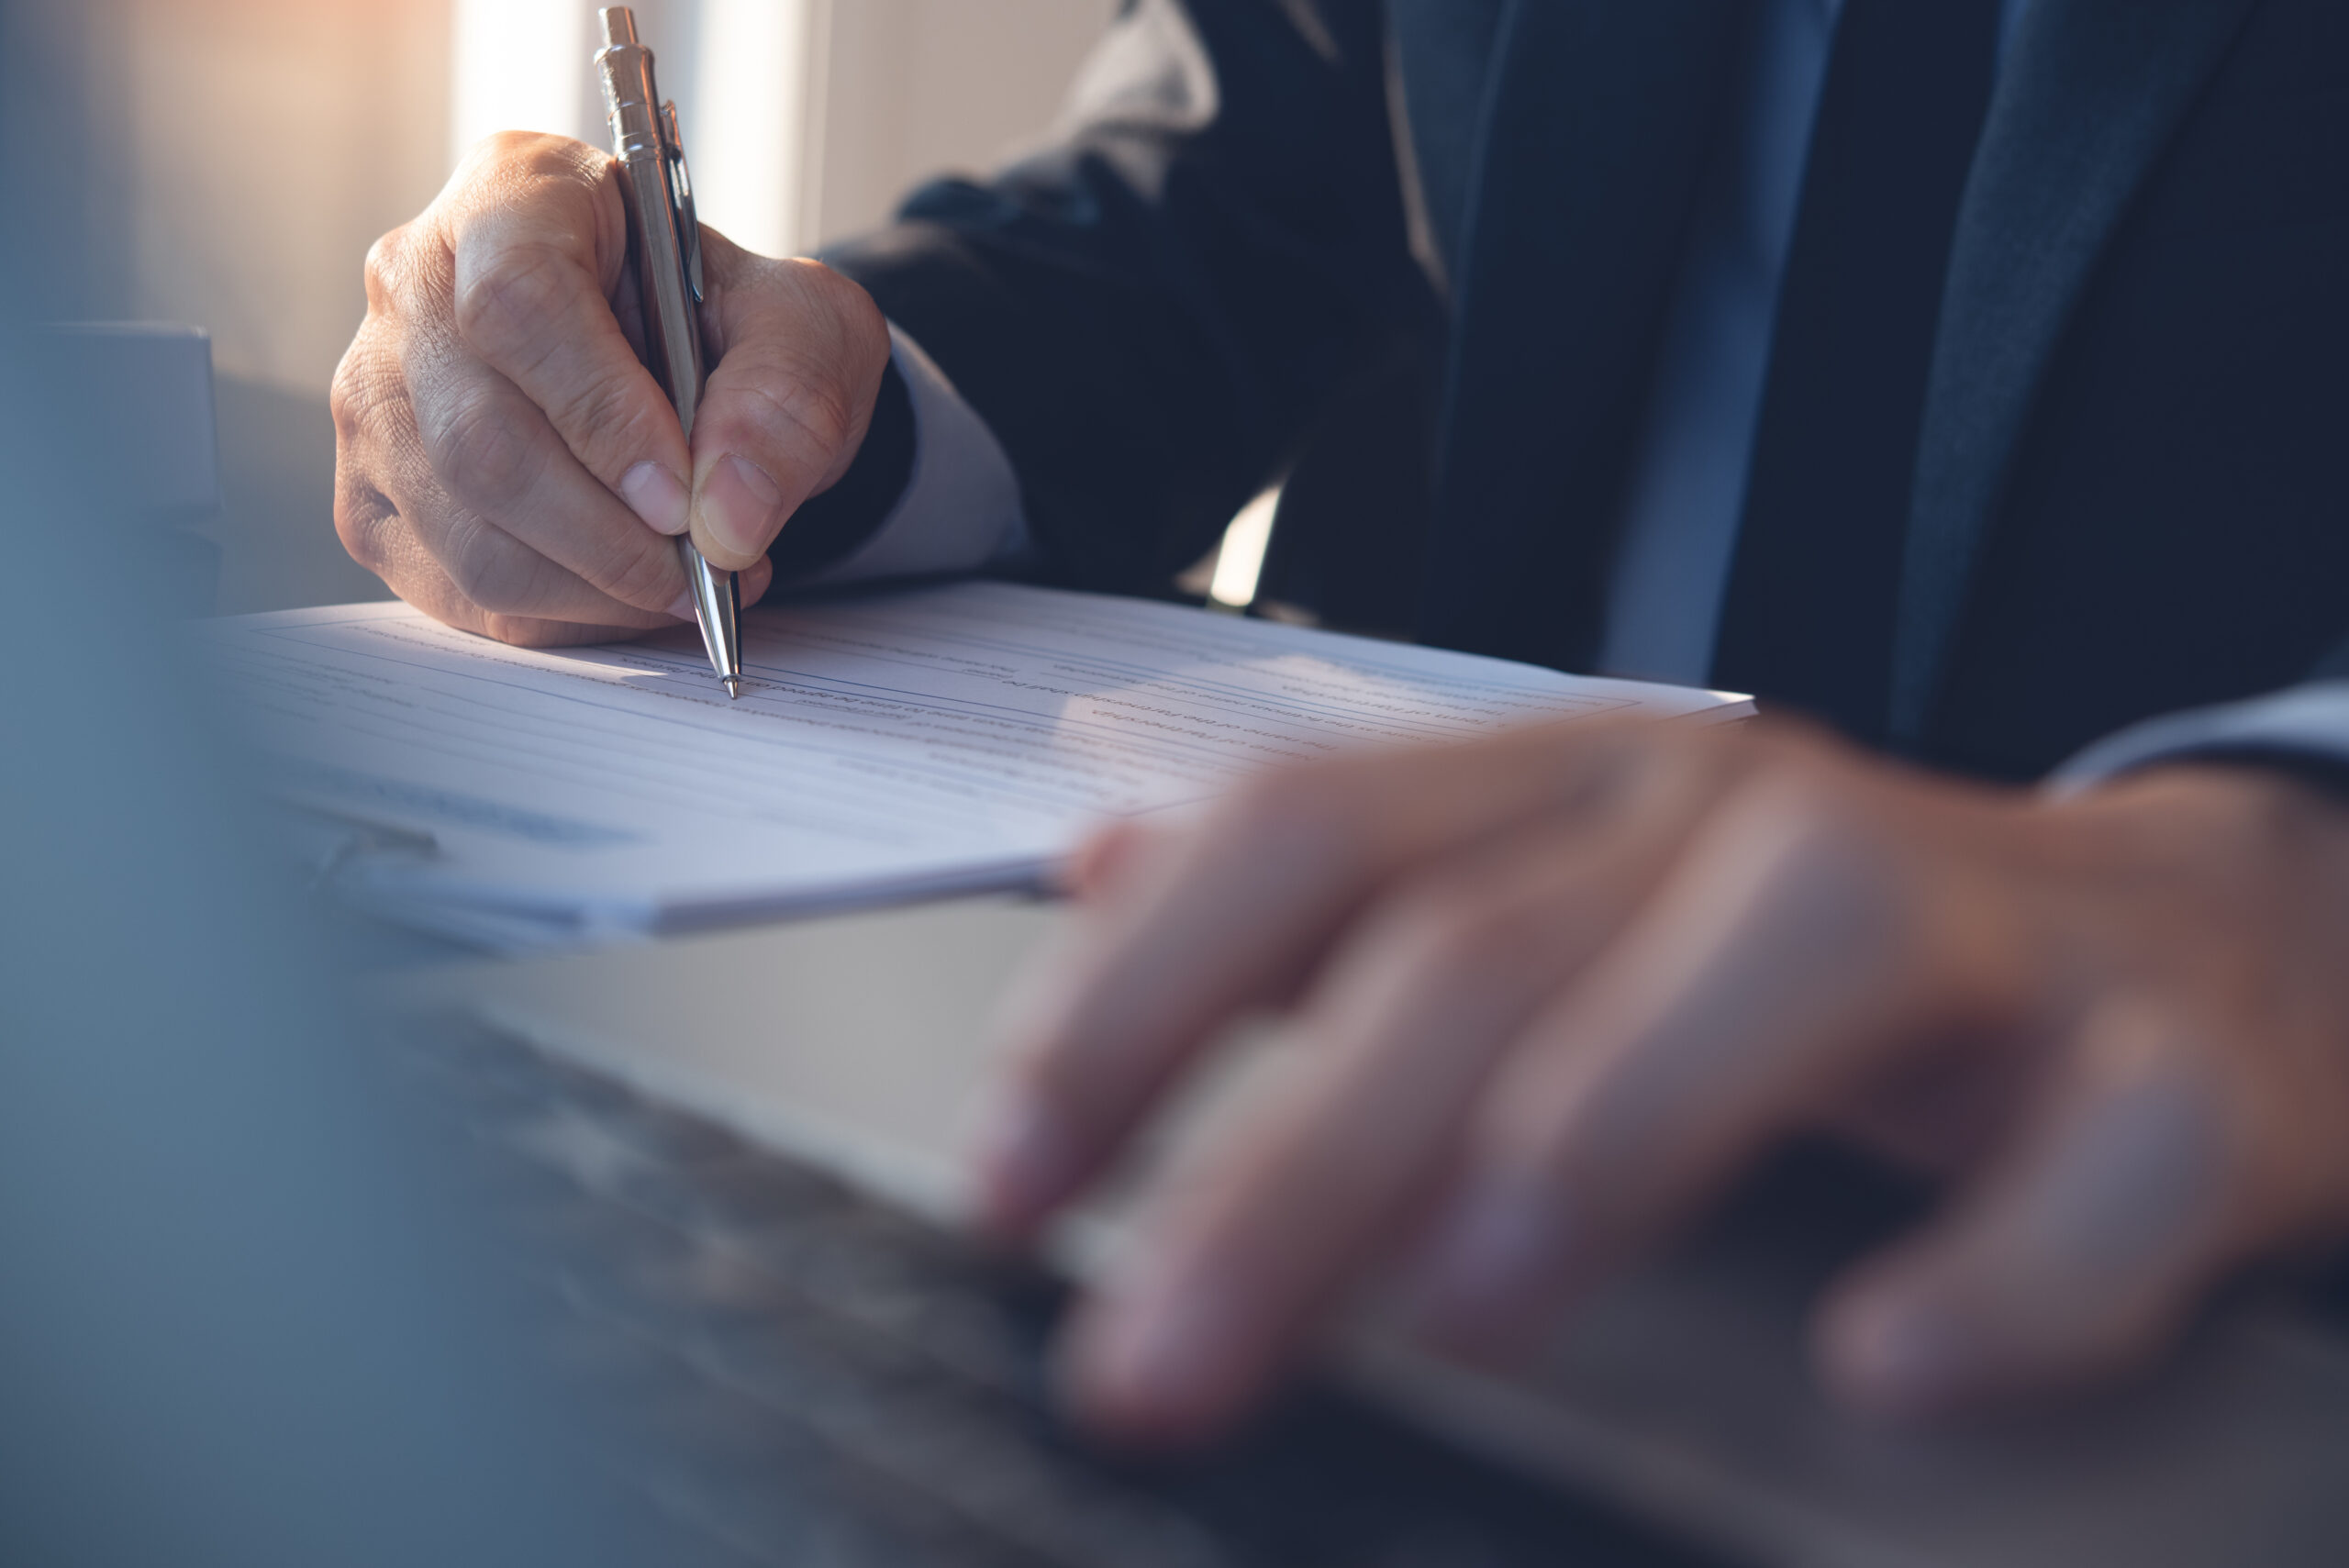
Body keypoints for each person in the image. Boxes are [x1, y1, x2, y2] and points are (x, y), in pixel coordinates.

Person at [331, 0, 2349, 1444]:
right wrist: (772, 430)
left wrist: (2295, 848)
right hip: (1365, 1153)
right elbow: (1228, 184)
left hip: (2170, 1279)